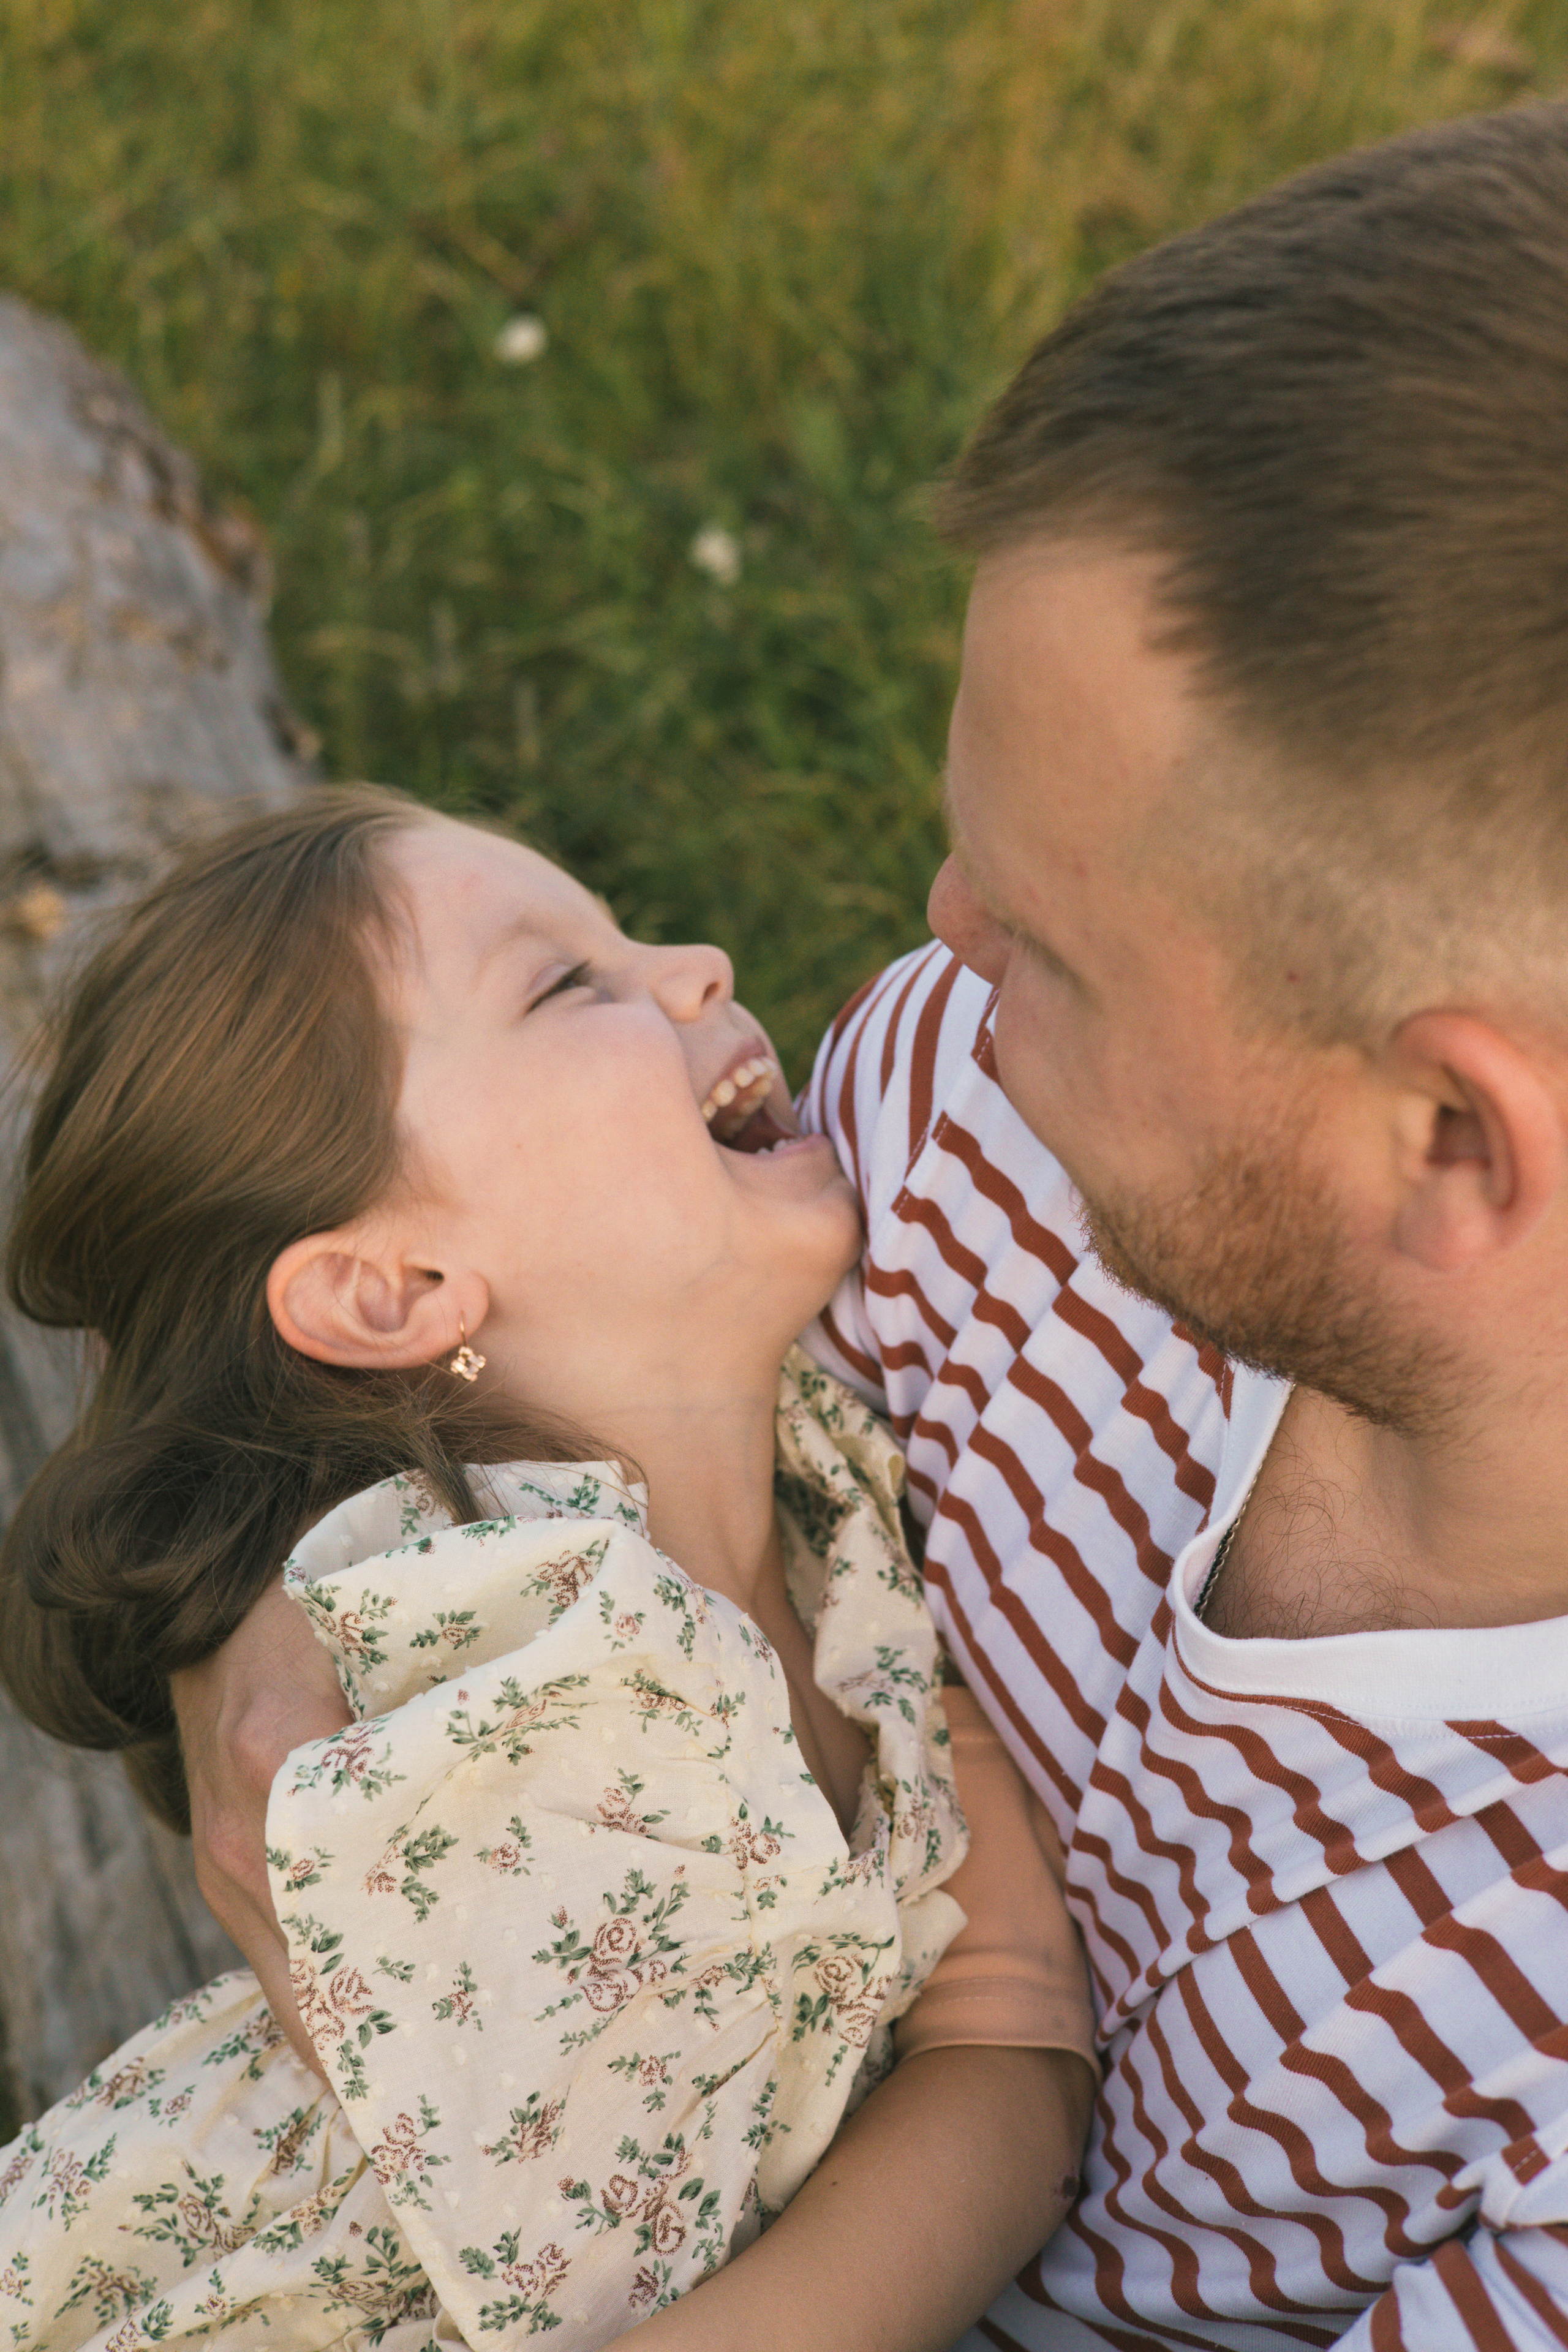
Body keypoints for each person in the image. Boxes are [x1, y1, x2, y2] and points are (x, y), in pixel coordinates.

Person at [178, 99, 1568, 2347]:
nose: (927, 951)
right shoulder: (966, 1134)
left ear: (1454, 1145)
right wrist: (269, 1610)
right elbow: (563, 1360)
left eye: (1051, 943)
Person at [0, 793, 1097, 2352]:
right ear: (396, 1288)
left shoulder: (825, 1483)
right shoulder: (488, 1702)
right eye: (568, 981)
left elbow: (1010, 2031)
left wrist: (1018, 2070)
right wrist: (1016, 2077)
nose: (704, 962)